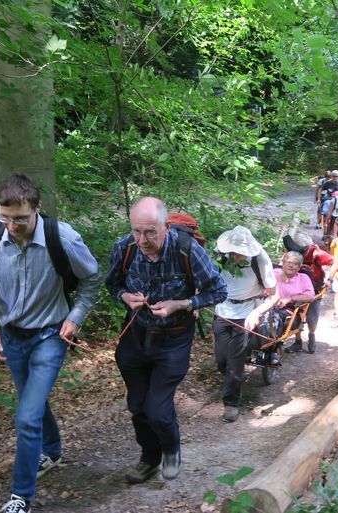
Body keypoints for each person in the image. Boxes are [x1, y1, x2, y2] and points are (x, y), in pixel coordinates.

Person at [0, 174, 100, 513]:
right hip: (11, 336)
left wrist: (75, 317)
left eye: (20, 218)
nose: (11, 225)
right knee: (30, 404)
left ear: (37, 208)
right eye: (5, 217)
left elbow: (91, 279)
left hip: (51, 335)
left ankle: (20, 497)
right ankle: (51, 450)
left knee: (26, 416)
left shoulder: (62, 238)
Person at [105, 197, 227, 484]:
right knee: (137, 404)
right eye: (137, 231)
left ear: (165, 227)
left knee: (158, 409)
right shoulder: (124, 248)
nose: (143, 240)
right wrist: (125, 297)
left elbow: (218, 291)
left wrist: (182, 303)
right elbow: (112, 284)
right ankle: (149, 457)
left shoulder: (186, 249)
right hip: (135, 336)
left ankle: (171, 450)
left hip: (173, 339)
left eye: (150, 232)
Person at [213, 226, 278, 422]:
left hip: (247, 312)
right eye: (233, 252)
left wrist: (257, 312)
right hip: (222, 310)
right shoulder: (220, 256)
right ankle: (233, 384)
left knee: (235, 360)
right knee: (221, 360)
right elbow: (209, 280)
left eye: (240, 253)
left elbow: (275, 295)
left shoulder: (260, 259)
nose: (235, 256)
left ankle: (231, 403)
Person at [252, 251, 315, 365]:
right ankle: (251, 348)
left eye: (295, 263)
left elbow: (310, 297)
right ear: (283, 263)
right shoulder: (274, 273)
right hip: (266, 306)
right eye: (288, 262)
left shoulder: (303, 278)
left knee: (272, 318)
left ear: (299, 266)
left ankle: (271, 350)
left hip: (288, 312)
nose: (291, 265)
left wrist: (290, 298)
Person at [282, 232, 333, 354]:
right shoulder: (292, 253)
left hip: (314, 291)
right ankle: (298, 342)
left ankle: (311, 335)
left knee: (312, 319)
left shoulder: (317, 254)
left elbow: (334, 262)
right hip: (296, 290)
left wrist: (330, 279)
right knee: (295, 317)